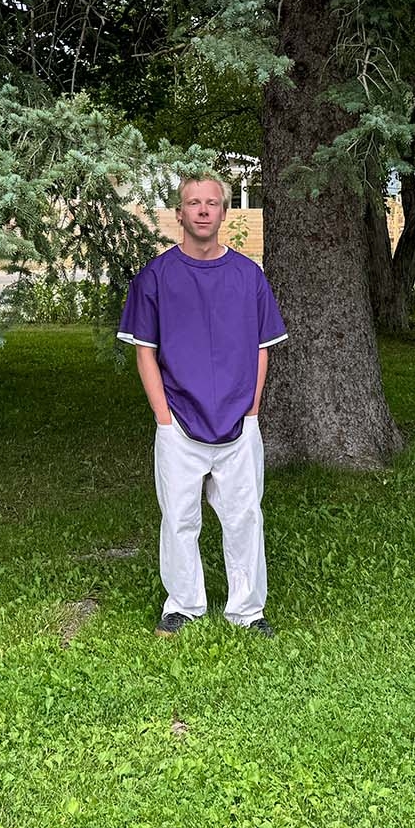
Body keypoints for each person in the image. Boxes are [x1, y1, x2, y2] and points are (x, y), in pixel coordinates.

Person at [116, 175, 288, 638]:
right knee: (179, 519)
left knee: (244, 517)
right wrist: (163, 417)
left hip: (238, 422)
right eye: (194, 203)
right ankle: (184, 605)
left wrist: (252, 410)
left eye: (212, 203)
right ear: (179, 213)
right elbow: (145, 351)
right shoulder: (155, 277)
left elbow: (262, 347)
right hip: (179, 420)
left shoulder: (248, 276)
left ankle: (247, 611)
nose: (204, 210)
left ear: (224, 212)